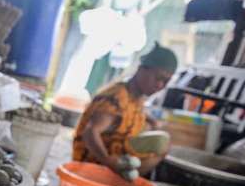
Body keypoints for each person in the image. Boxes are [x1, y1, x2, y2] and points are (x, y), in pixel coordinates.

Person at [72, 42, 178, 176]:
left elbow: (132, 112)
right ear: (142, 69)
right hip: (93, 164)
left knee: (163, 144)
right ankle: (124, 181)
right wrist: (108, 161)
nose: (160, 85)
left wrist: (152, 122)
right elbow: (90, 132)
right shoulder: (115, 97)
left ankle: (128, 179)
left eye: (166, 82)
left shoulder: (136, 96)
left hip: (116, 155)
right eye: (158, 78)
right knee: (162, 143)